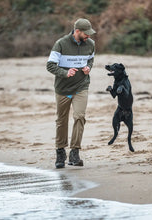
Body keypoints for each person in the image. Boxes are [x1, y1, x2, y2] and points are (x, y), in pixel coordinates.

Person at [46, 18, 96, 169]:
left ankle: (75, 152)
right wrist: (65, 72)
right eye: (86, 34)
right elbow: (50, 66)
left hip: (82, 86)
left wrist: (88, 68)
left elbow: (90, 61)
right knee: (61, 120)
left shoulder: (91, 44)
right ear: (77, 31)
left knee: (79, 116)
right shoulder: (60, 44)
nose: (88, 36)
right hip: (63, 89)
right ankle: (60, 151)